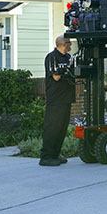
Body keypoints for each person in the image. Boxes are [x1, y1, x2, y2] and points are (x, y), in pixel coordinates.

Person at [39, 36, 76, 166]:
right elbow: (55, 76)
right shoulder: (52, 57)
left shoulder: (68, 58)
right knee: (52, 127)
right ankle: (46, 157)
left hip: (67, 97)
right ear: (64, 45)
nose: (70, 46)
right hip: (55, 98)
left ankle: (55, 154)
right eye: (69, 44)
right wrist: (66, 70)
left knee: (62, 127)